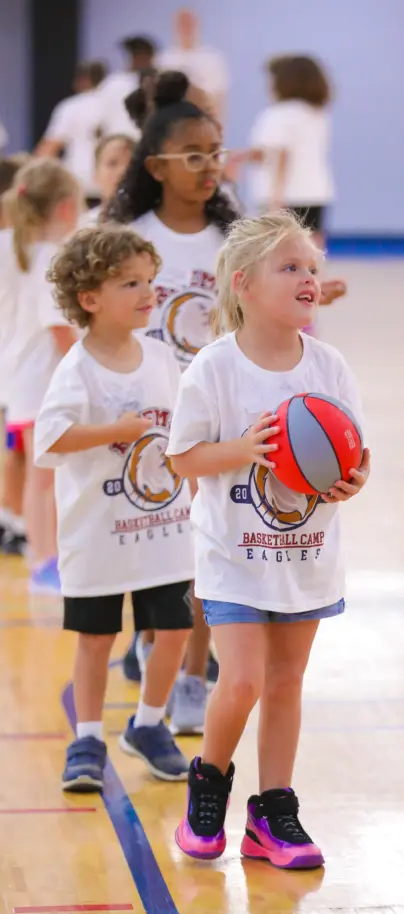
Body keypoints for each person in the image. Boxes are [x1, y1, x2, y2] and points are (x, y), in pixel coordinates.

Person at [167, 210, 370, 868]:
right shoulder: (214, 369)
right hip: (231, 556)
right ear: (243, 284)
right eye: (290, 268)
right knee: (243, 681)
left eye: (312, 267)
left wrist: (350, 480)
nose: (308, 278)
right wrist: (244, 448)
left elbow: (356, 454)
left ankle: (273, 813)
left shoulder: (329, 365)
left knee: (286, 682)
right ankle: (208, 783)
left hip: (306, 555)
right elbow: (183, 459)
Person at [34, 224, 194, 792]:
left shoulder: (161, 357)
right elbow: (48, 441)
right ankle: (88, 738)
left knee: (175, 629)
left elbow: (181, 434)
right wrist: (113, 431)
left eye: (150, 280)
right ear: (90, 299)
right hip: (100, 536)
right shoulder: (77, 368)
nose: (148, 292)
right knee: (96, 641)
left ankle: (149, 725)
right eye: (130, 282)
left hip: (165, 530)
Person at [106, 70, 240, 730]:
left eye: (216, 153)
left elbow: (251, 319)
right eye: (194, 155)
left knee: (204, 557)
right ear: (156, 165)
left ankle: (192, 677)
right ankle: (153, 641)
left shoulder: (232, 242)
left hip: (213, 422)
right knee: (153, 556)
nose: (210, 166)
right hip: (144, 421)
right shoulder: (133, 238)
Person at [3, 158, 81, 592]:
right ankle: (44, 559)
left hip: (20, 379)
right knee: (44, 476)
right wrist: (92, 366)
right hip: (42, 381)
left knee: (42, 474)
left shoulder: (10, 247)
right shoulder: (50, 257)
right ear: (68, 208)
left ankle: (47, 555)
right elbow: (57, 327)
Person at [244, 55, 335, 248]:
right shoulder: (317, 115)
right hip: (315, 193)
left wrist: (276, 200)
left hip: (283, 197)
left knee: (277, 255)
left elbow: (280, 155)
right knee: (312, 252)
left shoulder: (277, 114)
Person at [0, 152, 30, 555]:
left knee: (15, 445)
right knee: (16, 446)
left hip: (15, 362)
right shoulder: (15, 247)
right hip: (16, 363)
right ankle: (12, 519)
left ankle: (12, 518)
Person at [35, 61, 108, 207]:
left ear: (82, 80)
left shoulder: (72, 106)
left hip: (79, 183)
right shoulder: (115, 104)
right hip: (109, 184)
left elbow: (49, 148)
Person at [158, 8, 229, 125]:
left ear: (196, 24)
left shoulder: (212, 58)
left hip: (204, 121)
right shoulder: (165, 60)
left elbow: (219, 98)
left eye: (189, 23)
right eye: (182, 24)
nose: (186, 28)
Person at [97, 36, 157, 139]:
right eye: (140, 56)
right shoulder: (111, 84)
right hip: (119, 141)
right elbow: (99, 123)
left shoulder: (157, 81)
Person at [79, 134, 135, 225]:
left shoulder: (156, 226)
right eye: (112, 164)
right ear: (96, 174)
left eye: (130, 165)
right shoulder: (81, 227)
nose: (122, 172)